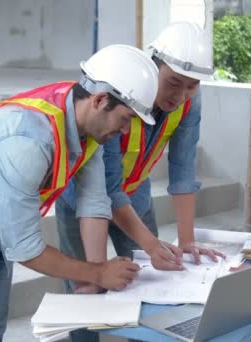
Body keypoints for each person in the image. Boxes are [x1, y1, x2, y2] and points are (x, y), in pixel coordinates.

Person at [0, 44, 159, 342]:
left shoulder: (85, 122)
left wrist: (95, 278)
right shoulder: (29, 141)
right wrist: (98, 273)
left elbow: (93, 202)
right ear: (101, 100)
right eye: (127, 118)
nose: (127, 131)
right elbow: (25, 247)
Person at [56, 21, 226, 341]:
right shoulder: (123, 93)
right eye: (174, 82)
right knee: (85, 290)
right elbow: (104, 189)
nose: (181, 95)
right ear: (154, 64)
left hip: (136, 194)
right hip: (81, 198)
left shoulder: (189, 101)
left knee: (148, 284)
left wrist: (186, 241)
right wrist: (148, 244)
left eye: (193, 86)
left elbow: (183, 169)